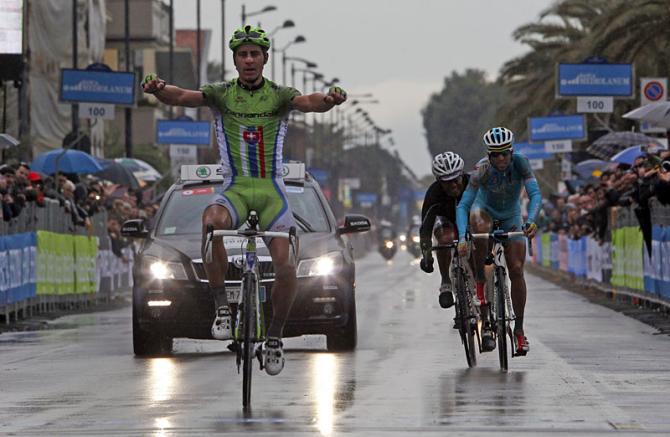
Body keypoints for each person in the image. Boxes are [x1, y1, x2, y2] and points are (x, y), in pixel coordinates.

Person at [142, 25, 346, 376]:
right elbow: (182, 97)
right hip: (235, 189)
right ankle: (222, 307)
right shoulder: (222, 94)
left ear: (265, 59)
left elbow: (308, 103)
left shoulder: (280, 95)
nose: (249, 60)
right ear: (235, 60)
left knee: (284, 265)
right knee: (212, 222)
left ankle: (275, 336)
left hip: (272, 192)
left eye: (255, 54)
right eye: (242, 54)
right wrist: (159, 90)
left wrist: (328, 100)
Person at [456, 127, 541, 355]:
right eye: (495, 154)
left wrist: (531, 220)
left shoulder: (521, 163)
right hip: (484, 212)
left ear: (511, 152)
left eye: (504, 153)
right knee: (479, 227)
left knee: (516, 269)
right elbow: (464, 205)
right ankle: (481, 286)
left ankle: (519, 331)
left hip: (511, 216)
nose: (500, 158)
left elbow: (535, 194)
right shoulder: (481, 170)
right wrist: (464, 235)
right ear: (489, 155)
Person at [419, 152, 470, 310]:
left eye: (456, 179)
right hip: (446, 221)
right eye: (447, 182)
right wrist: (427, 256)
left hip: (469, 219)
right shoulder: (434, 194)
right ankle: (446, 282)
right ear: (439, 181)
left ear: (462, 174)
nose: (453, 185)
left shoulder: (472, 184)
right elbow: (425, 229)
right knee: (445, 239)